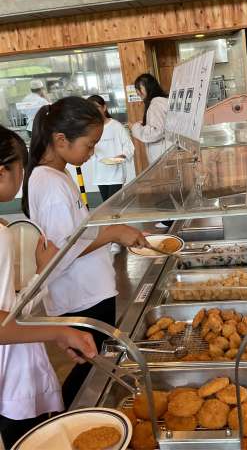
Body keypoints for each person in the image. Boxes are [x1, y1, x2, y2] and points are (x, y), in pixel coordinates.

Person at [21, 96, 149, 409]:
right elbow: (62, 250)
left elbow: (73, 232)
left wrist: (109, 229)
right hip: (81, 296)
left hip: (89, 290)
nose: (91, 153)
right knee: (90, 370)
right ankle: (73, 416)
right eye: (89, 145)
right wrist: (113, 234)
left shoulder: (57, 174)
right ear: (60, 140)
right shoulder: (50, 184)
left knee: (95, 364)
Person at [0, 125, 97, 449]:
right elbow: (3, 322)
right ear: (2, 171)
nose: (22, 178)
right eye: (20, 168)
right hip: (10, 375)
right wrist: (58, 331)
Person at [87, 95, 135, 202]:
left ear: (104, 107)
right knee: (107, 205)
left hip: (116, 174)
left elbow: (129, 146)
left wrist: (123, 155)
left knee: (114, 204)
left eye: (97, 107)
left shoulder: (116, 126)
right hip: (100, 174)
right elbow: (88, 149)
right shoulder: (89, 129)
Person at [131, 73, 168, 165]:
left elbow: (156, 132)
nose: (137, 92)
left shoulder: (156, 104)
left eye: (139, 88)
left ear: (148, 86)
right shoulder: (161, 101)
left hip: (162, 155)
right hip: (166, 153)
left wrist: (135, 127)